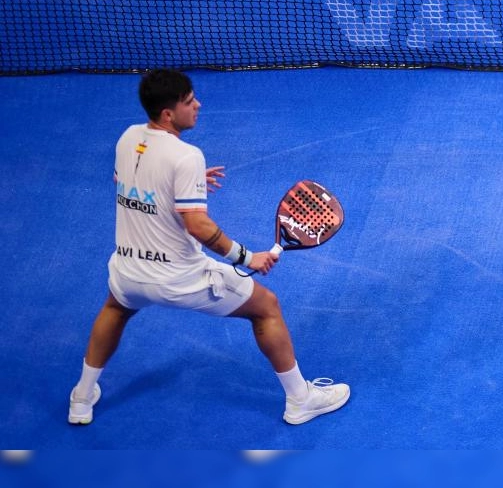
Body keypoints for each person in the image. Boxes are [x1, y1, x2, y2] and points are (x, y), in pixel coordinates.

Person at [68, 69, 350, 424]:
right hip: (179, 279)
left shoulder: (128, 138)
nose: (198, 105)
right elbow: (198, 226)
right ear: (168, 114)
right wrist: (248, 257)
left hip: (127, 271)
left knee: (116, 309)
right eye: (189, 102)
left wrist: (181, 185)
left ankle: (81, 397)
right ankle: (300, 400)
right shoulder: (186, 156)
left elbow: (125, 179)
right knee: (267, 307)